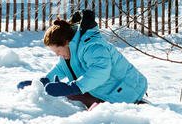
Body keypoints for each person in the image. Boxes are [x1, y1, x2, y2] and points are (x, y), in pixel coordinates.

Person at [17, 10, 148, 110]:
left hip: (126, 93)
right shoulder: (70, 50)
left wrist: (74, 87)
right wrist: (43, 82)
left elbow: (100, 71)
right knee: (67, 97)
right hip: (103, 92)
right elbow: (62, 68)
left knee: (95, 115)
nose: (57, 55)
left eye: (57, 51)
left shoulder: (92, 46)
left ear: (67, 42)